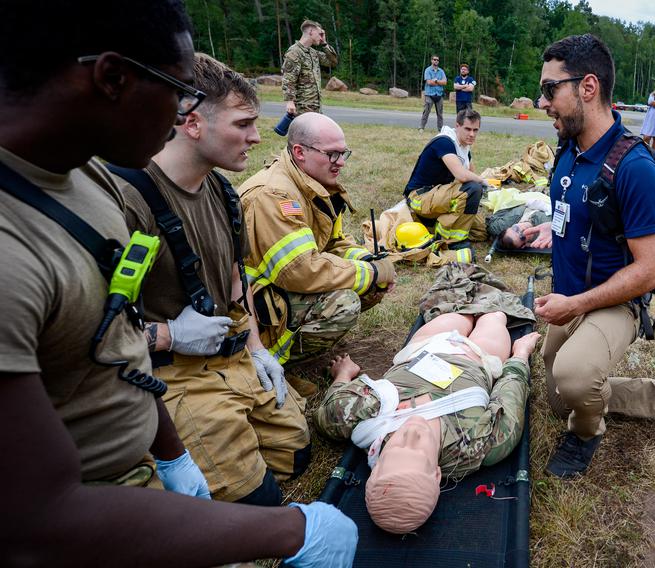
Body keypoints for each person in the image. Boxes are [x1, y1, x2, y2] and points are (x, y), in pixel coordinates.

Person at [0, 2, 356, 566]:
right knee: (258, 504)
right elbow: (37, 518)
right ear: (113, 77)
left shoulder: (86, 177)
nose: (180, 111)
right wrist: (289, 533)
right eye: (178, 89)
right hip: (113, 478)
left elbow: (114, 346)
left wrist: (174, 446)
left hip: (165, 413)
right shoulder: (29, 243)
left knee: (295, 452)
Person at [117, 53, 312, 506]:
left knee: (296, 454)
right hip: (170, 375)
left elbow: (233, 282)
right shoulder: (129, 201)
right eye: (242, 124)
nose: (256, 137)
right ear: (191, 122)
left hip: (228, 359)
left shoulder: (223, 192)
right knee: (256, 501)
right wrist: (169, 336)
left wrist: (257, 349)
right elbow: (91, 333)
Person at [536, 34, 655, 478]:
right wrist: (546, 227)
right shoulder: (569, 150)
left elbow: (652, 269)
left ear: (588, 87)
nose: (542, 103)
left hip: (615, 303)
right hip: (570, 299)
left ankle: (585, 436)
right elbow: (573, 212)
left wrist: (576, 304)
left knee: (577, 382)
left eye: (549, 90)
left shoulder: (634, 168)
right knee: (560, 397)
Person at [314, 312, 541, 533]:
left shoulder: (360, 422)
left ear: (376, 465)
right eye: (419, 452)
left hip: (424, 347)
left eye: (397, 448)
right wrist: (520, 354)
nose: (412, 432)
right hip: (478, 357)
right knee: (494, 316)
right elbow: (510, 392)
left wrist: (343, 374)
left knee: (461, 313)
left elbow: (332, 408)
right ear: (436, 473)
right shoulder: (479, 445)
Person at [240, 113, 397, 363]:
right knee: (344, 303)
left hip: (279, 289)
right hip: (251, 305)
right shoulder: (274, 196)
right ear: (300, 152)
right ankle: (276, 359)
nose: (341, 163)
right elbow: (300, 270)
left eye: (343, 154)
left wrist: (368, 259)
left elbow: (334, 243)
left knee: (365, 286)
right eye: (332, 154)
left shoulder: (312, 183)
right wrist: (372, 273)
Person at [405, 108, 487, 256]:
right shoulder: (445, 141)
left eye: (476, 130)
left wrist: (487, 186)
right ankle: (454, 241)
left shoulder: (464, 148)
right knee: (473, 189)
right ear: (457, 126)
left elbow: (471, 173)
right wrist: (483, 181)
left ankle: (433, 226)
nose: (472, 134)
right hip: (419, 197)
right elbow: (462, 175)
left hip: (438, 195)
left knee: (481, 231)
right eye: (467, 129)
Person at [420, 54, 447, 132]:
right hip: (429, 94)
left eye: (437, 60)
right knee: (426, 112)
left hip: (439, 94)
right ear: (431, 60)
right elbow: (429, 82)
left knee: (440, 114)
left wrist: (435, 80)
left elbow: (445, 82)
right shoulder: (427, 70)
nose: (436, 61)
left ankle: (440, 129)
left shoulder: (441, 71)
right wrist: (439, 82)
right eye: (434, 59)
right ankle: (421, 127)